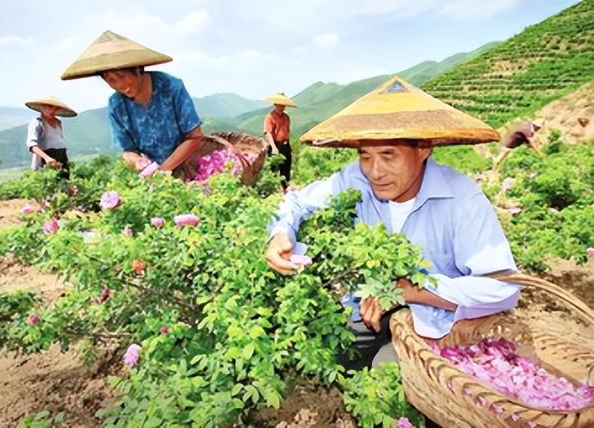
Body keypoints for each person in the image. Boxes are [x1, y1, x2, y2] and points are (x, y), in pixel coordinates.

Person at [265, 77, 521, 370]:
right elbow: (296, 202)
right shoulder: (355, 179)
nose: (375, 172)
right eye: (366, 156)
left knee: (387, 372)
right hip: (369, 307)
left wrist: (408, 289)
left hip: (436, 322)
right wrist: (280, 233)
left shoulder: (461, 199)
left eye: (389, 155)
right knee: (334, 355)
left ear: (423, 148)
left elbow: (503, 288)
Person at [61, 30, 204, 179]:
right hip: (154, 176)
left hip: (190, 167)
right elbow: (128, 151)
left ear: (137, 69)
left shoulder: (171, 87)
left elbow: (194, 137)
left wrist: (163, 170)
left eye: (122, 76)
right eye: (111, 80)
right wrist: (137, 162)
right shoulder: (116, 105)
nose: (121, 85)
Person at [24, 96, 77, 179]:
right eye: (50, 107)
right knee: (49, 183)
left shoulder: (58, 122)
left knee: (64, 183)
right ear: (42, 107)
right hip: (46, 158)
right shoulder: (37, 122)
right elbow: (32, 145)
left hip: (61, 158)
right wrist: (47, 158)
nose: (53, 111)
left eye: (56, 109)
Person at [263, 92, 296, 187]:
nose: (282, 107)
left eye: (283, 105)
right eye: (280, 105)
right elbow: (268, 133)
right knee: (273, 169)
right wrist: (273, 147)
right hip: (275, 144)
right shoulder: (270, 117)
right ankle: (271, 190)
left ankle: (286, 189)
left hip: (285, 145)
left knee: (286, 169)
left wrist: (289, 146)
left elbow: (287, 131)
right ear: (275, 104)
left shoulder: (286, 117)